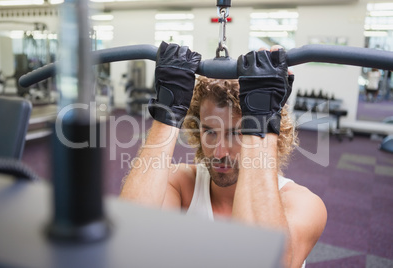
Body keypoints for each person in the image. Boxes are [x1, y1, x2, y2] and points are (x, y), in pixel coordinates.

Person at [120, 41, 327, 268]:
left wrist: (261, 124)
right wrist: (167, 113)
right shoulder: (182, 185)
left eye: (237, 133)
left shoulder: (303, 204)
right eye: (209, 131)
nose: (219, 153)